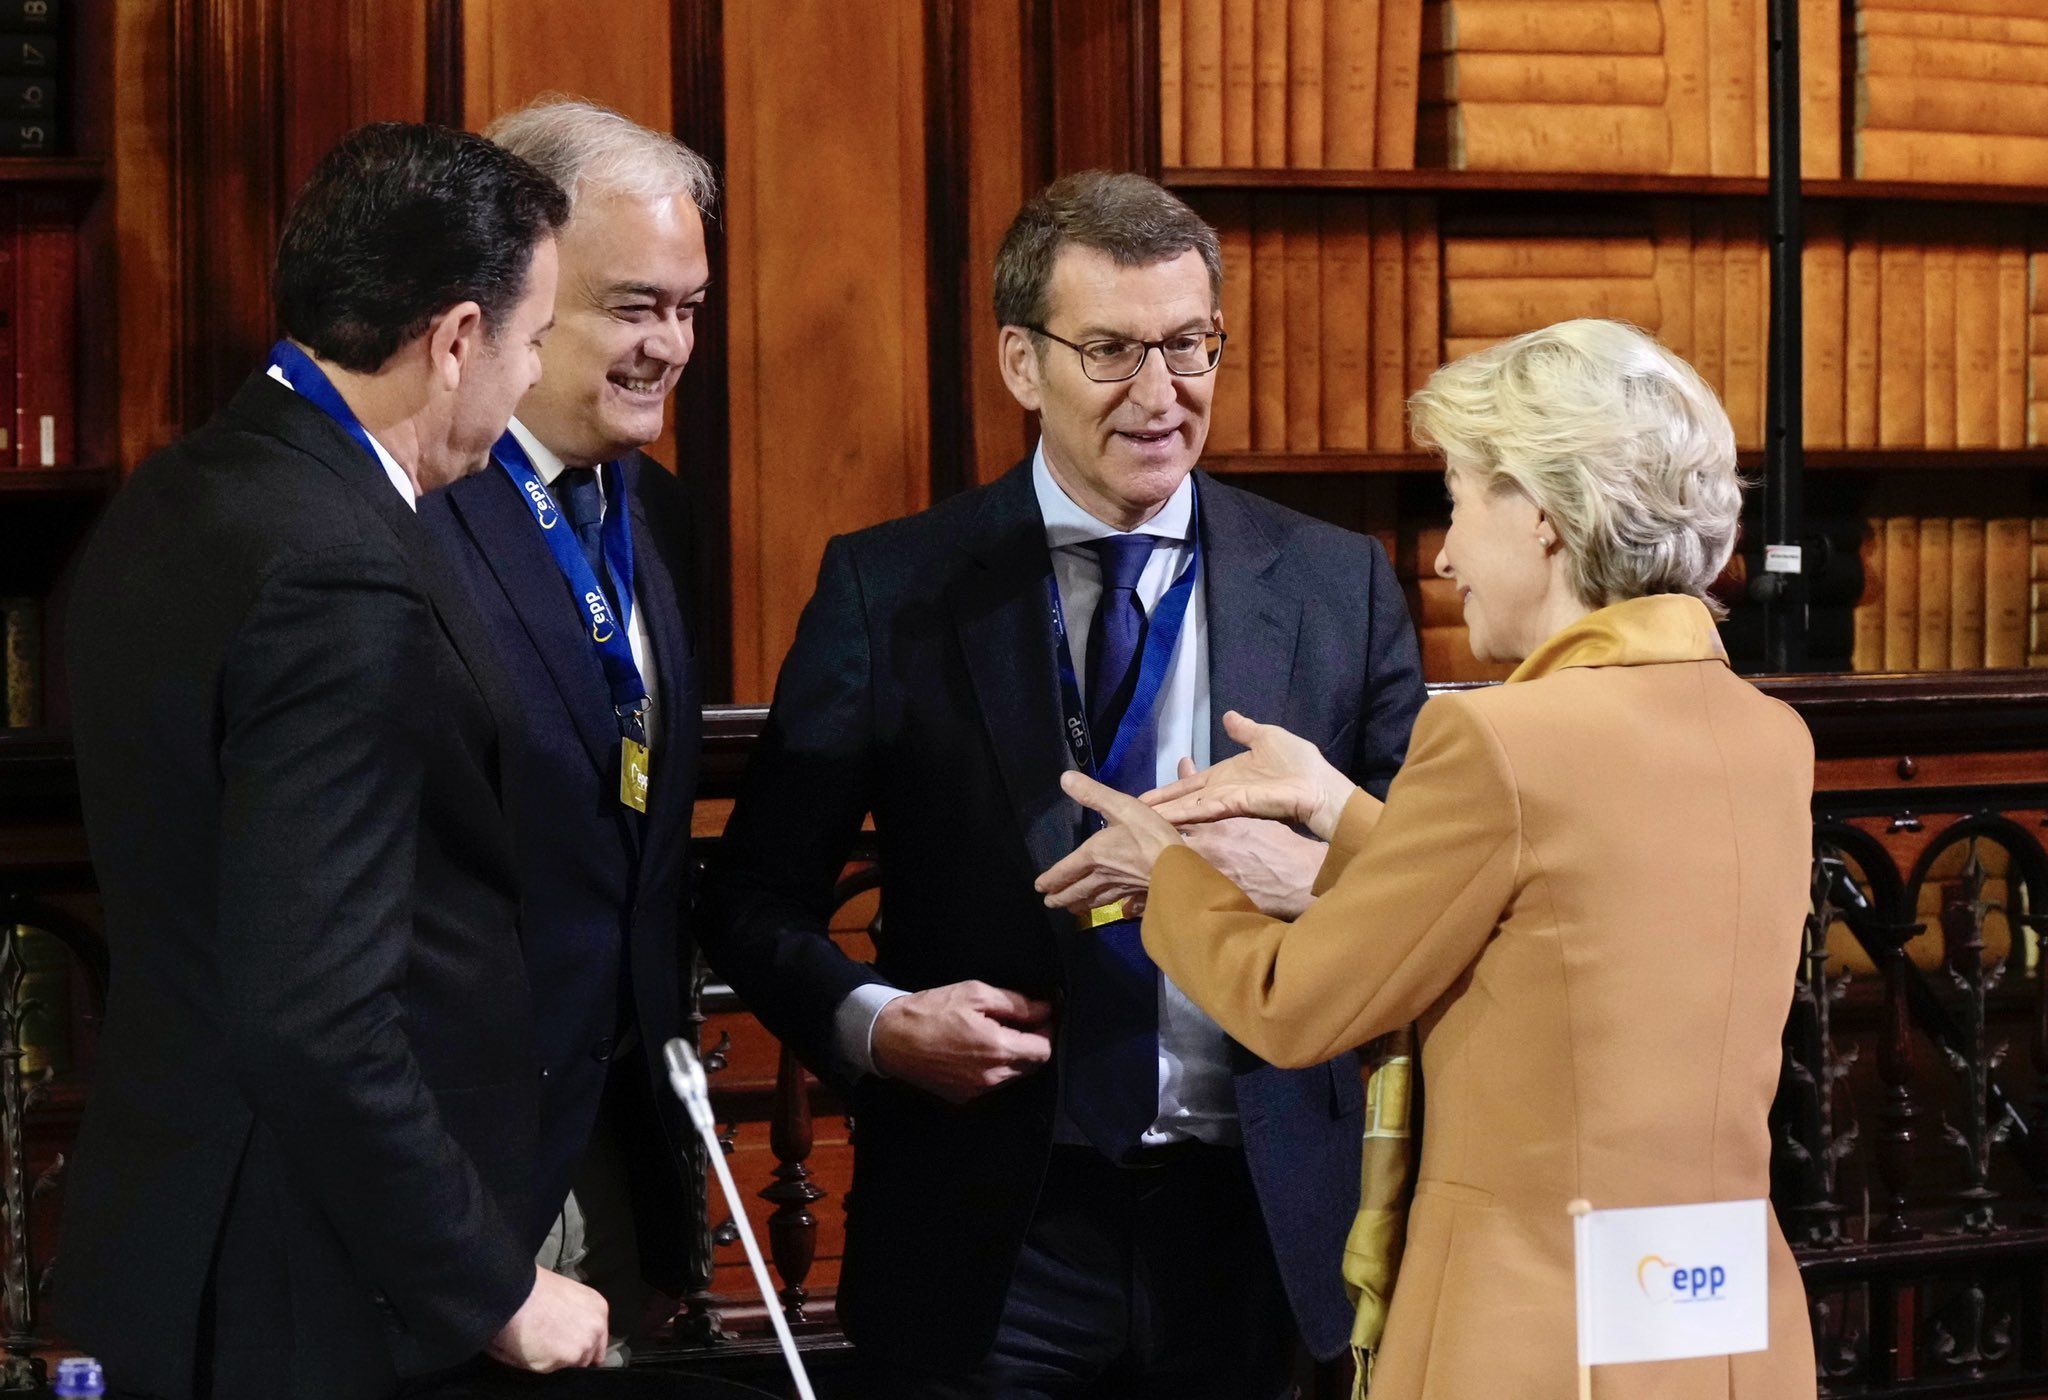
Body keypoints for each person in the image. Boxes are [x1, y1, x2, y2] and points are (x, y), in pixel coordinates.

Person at [700, 170, 1426, 1398]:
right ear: (1020, 363)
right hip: (994, 1233)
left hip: (1258, 1222)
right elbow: (754, 902)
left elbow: (1425, 886)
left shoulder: (1333, 584)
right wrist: (880, 1027)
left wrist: (1300, 873)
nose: (1160, 394)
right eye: (1109, 351)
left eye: (1190, 344)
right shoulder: (893, 590)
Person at [1039, 318, 1820, 1399]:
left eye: (1455, 498)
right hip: (1717, 1319)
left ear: (1541, 515)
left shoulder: (1500, 741)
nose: (1443, 551)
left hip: (1530, 1330)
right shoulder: (1767, 735)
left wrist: (1165, 865)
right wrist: (1340, 808)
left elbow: (1291, 1002)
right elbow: (1557, 911)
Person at [53, 123, 607, 1398]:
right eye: (529, 343)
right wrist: (493, 1281)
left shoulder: (178, 491)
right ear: (457, 337)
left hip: (181, 1240)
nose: (528, 382)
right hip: (306, 1289)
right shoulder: (336, 568)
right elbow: (314, 1014)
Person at [420, 97, 714, 1357]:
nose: (669, 345)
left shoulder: (653, 513)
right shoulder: (418, 514)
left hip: (616, 1159)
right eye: (632, 306)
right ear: (518, 291)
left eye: (689, 307)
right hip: (460, 1184)